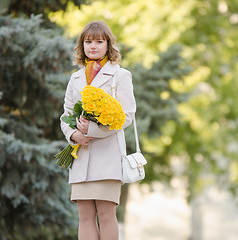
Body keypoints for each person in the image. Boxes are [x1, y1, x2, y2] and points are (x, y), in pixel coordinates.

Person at [60, 21, 136, 240]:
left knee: (105, 213)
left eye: (99, 41)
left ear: (108, 44)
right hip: (81, 156)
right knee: (84, 215)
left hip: (108, 157)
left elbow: (127, 116)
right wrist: (74, 134)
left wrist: (92, 129)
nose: (93, 46)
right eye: (88, 41)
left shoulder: (120, 76)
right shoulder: (75, 78)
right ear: (82, 45)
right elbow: (65, 114)